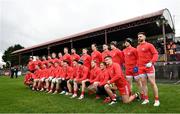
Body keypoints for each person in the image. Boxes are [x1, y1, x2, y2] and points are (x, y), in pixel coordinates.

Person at [137, 32, 160, 106]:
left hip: (149, 67)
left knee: (152, 83)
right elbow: (138, 58)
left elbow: (156, 54)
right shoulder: (138, 47)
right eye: (138, 37)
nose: (139, 38)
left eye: (140, 36)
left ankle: (157, 100)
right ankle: (146, 99)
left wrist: (151, 62)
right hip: (141, 68)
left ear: (144, 37)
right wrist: (137, 66)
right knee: (143, 84)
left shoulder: (149, 45)